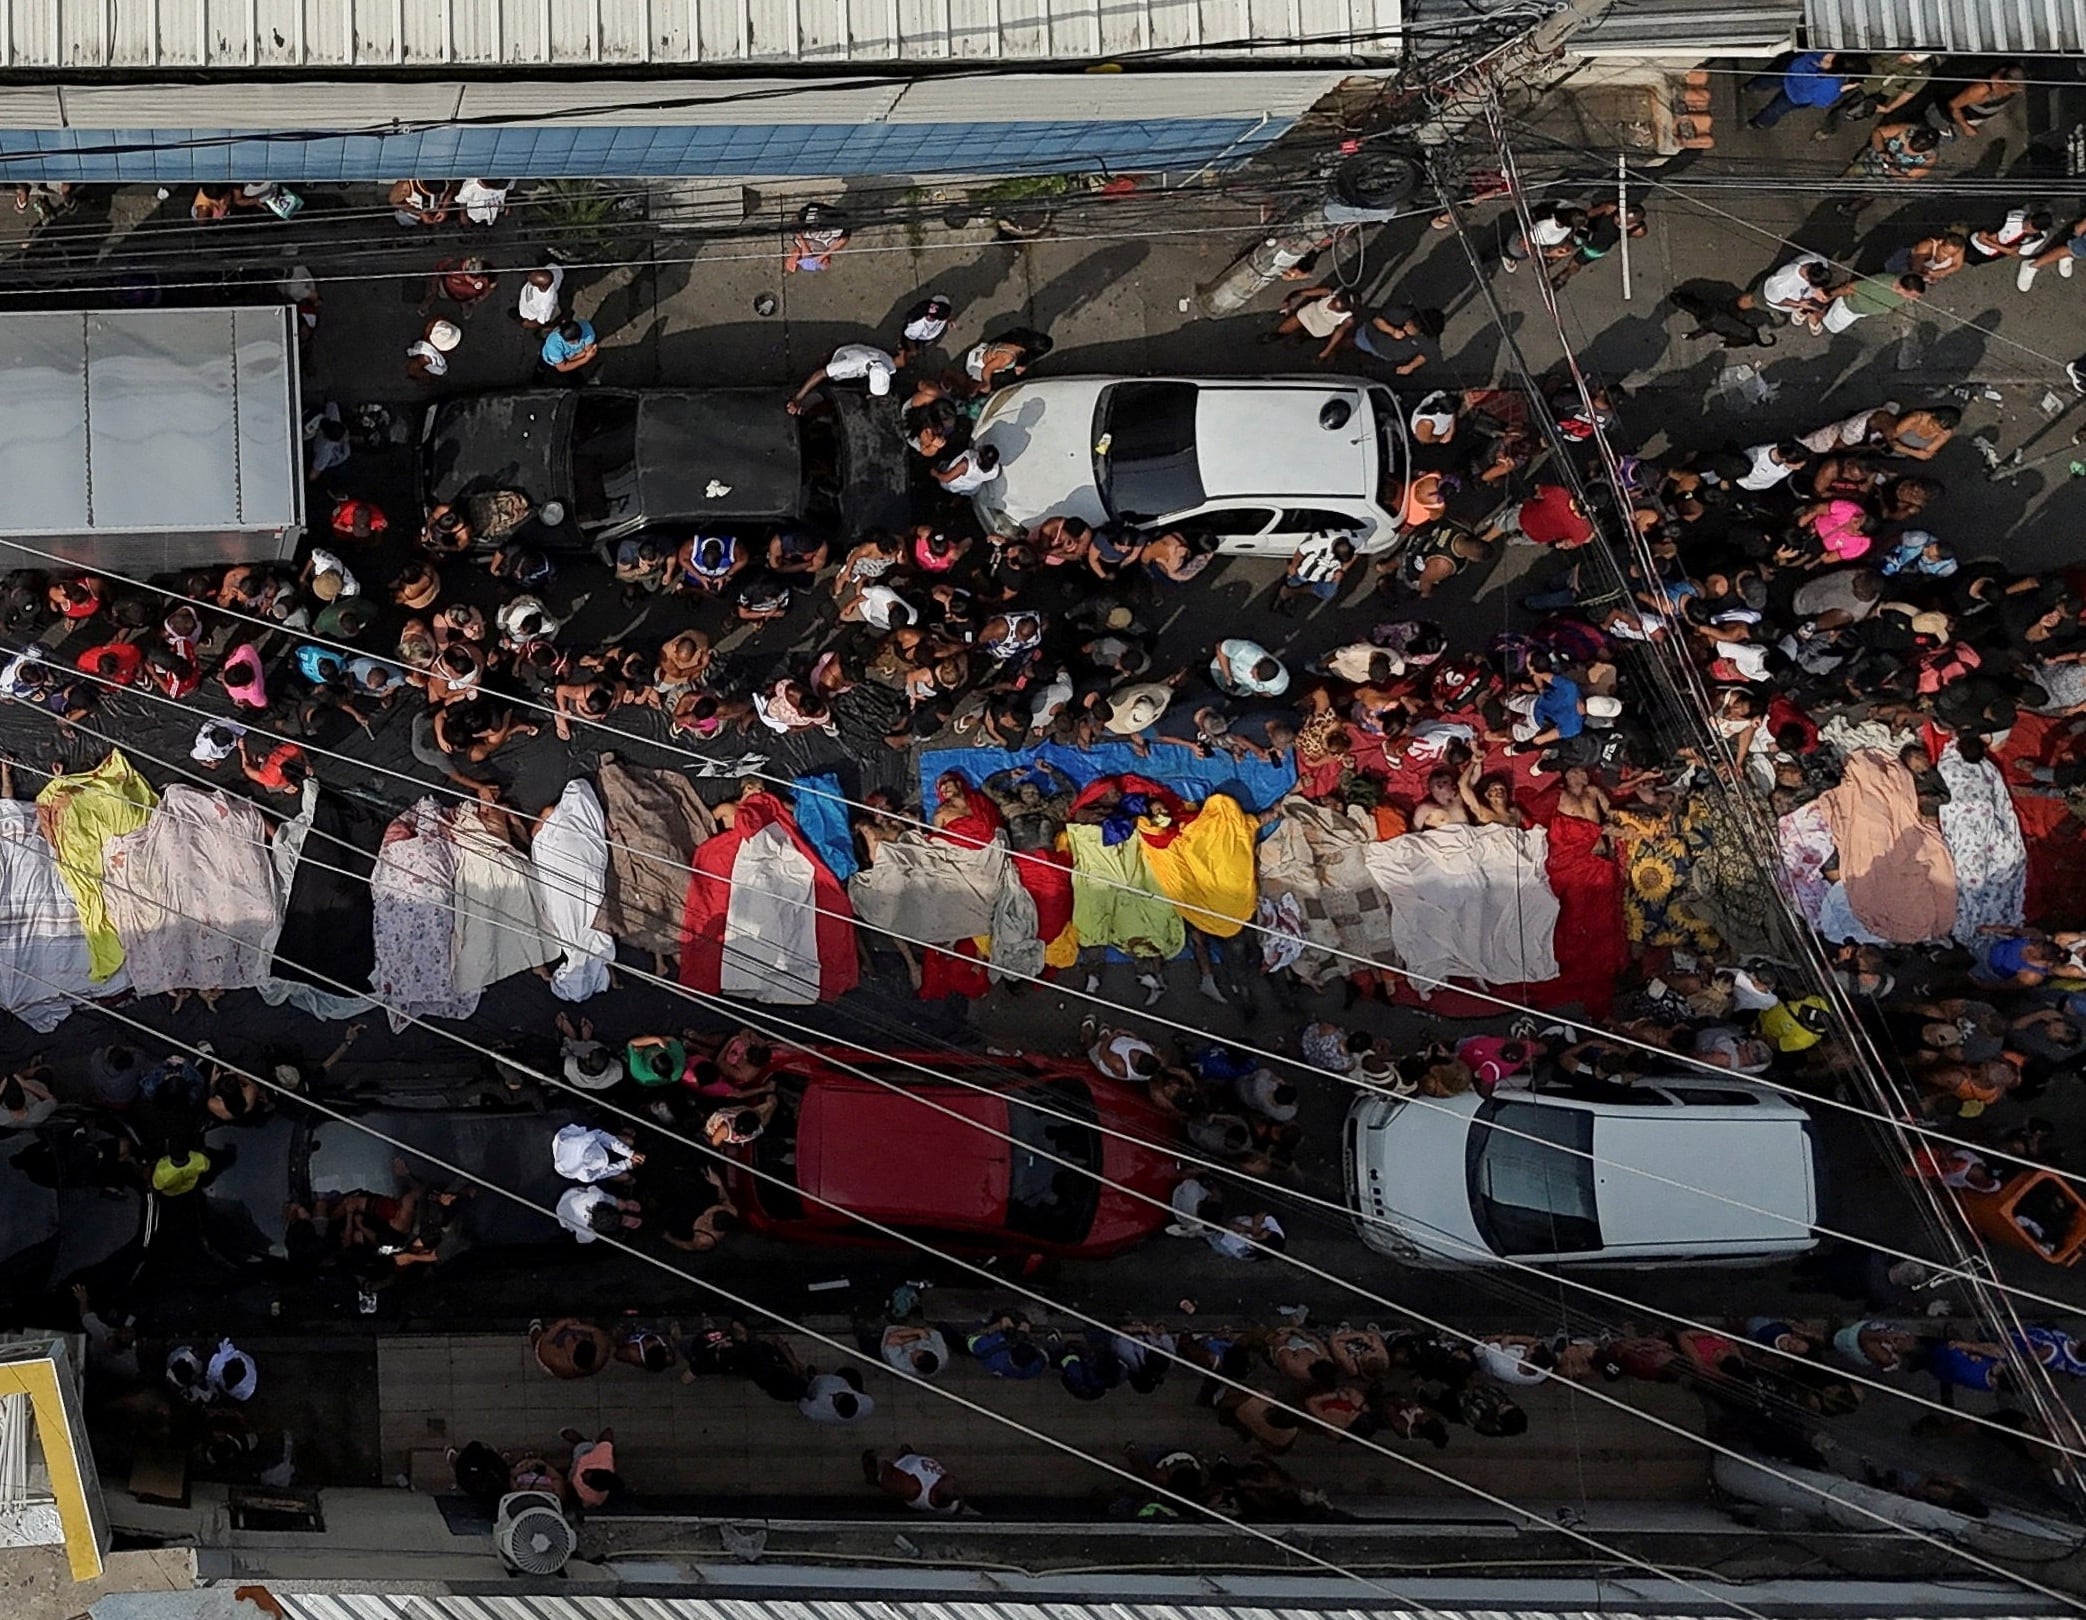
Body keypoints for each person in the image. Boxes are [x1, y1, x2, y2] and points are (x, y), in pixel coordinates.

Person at [1747, 50, 1855, 130]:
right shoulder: (1830, 81)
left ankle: (1759, 122)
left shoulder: (1832, 84)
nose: (1822, 59)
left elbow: (1821, 102)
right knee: (1769, 88)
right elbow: (1820, 102)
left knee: (1775, 109)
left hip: (1793, 92)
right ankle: (1752, 88)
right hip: (1791, 84)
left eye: (1827, 61)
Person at [787, 342, 897, 413]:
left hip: (859, 361)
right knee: (826, 390)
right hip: (840, 364)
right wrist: (798, 399)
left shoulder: (889, 364)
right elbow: (820, 374)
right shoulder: (850, 365)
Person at [864, 1447, 969, 1514]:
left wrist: (880, 1463)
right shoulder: (948, 1485)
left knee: (878, 1476)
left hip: (900, 1468)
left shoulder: (913, 1488)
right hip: (911, 1461)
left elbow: (886, 1479)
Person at [799, 1368, 875, 1423]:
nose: (835, 1395)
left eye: (835, 1399)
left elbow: (803, 1404)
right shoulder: (867, 1405)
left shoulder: (818, 1410)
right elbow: (867, 1397)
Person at [404, 318, 462, 382]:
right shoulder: (427, 358)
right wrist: (425, 376)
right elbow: (413, 368)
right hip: (428, 362)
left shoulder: (432, 326)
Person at [515, 266, 565, 331]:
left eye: (531, 280)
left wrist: (526, 324)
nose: (528, 278)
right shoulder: (543, 279)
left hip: (529, 315)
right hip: (525, 306)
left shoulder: (545, 304)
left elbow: (540, 321)